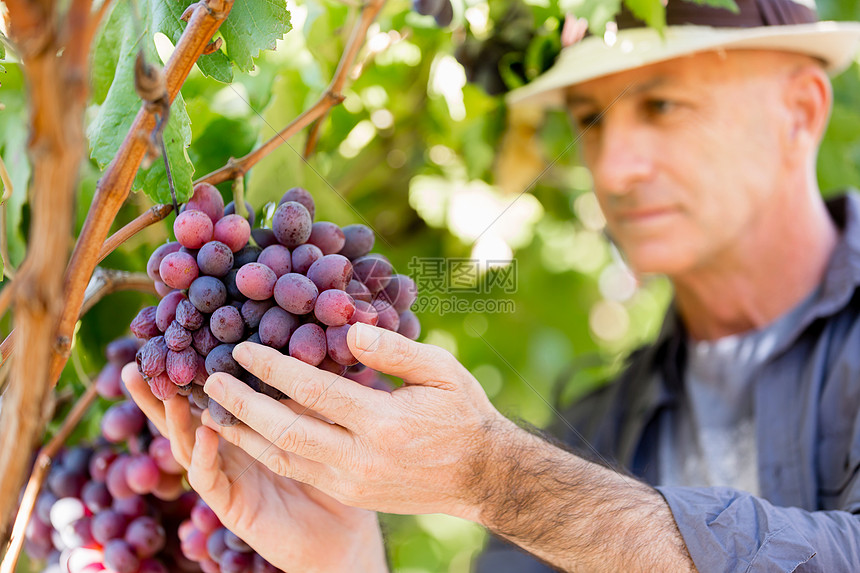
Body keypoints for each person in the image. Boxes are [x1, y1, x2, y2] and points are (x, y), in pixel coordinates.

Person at [123, 0, 860, 571]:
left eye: (663, 105)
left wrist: (493, 478)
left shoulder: (546, 472)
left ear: (799, 113)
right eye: (591, 118)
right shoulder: (598, 427)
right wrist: (345, 554)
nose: (613, 166)